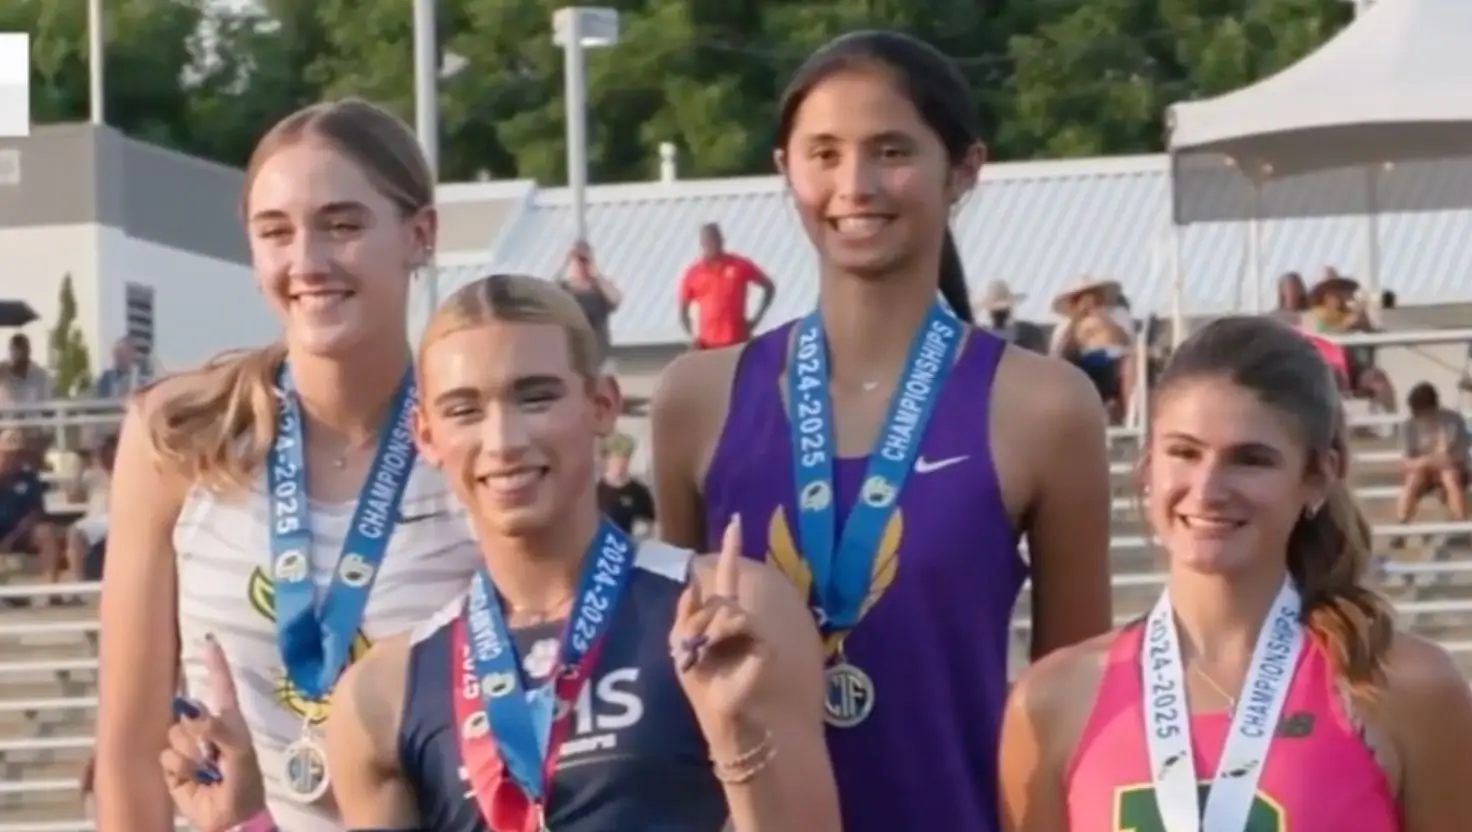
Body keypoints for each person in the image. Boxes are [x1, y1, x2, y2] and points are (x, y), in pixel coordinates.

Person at [160, 275, 841, 831]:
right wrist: (245, 823)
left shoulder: (726, 614)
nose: (504, 439)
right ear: (427, 435)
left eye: (535, 396)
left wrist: (737, 739)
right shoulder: (385, 690)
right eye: (464, 409)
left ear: (601, 405)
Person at [652, 31, 1113, 832]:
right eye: (823, 154)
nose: (854, 185)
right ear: (784, 170)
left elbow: (1076, 704)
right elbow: (678, 682)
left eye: (891, 150)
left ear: (963, 169)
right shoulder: (698, 399)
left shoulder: (1044, 407)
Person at [94, 98, 481, 832]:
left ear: (420, 235)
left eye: (342, 225)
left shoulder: (478, 439)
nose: (307, 262)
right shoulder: (178, 435)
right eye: (276, 233)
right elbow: (128, 750)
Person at [998, 315, 1472, 831]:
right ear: (1147, 468)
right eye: (1184, 452)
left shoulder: (1403, 687)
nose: (1207, 490)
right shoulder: (1052, 699)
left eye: (1250, 460)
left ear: (1317, 477)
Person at [1303, 270, 1396, 413]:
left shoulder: (1350, 314)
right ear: (1325, 295)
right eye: (1334, 291)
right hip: (1329, 370)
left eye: (1341, 290)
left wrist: (1365, 322)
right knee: (1332, 379)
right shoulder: (1316, 314)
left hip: (1356, 371)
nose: (1341, 294)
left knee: (1378, 378)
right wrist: (1348, 325)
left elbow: (1375, 339)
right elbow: (1322, 333)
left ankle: (1393, 425)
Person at [677, 222, 776, 350]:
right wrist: (692, 336)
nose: (712, 245)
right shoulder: (694, 273)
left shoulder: (740, 265)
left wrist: (756, 319)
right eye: (707, 242)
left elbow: (769, 287)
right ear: (702, 244)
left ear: (722, 241)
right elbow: (683, 311)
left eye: (715, 240)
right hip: (708, 344)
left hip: (738, 340)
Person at [1050, 277, 1135, 423]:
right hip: (1083, 362)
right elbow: (1058, 352)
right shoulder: (1066, 324)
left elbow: (1127, 341)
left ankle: (1132, 417)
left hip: (1116, 358)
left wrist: (1102, 317)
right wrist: (1076, 320)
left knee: (1131, 365)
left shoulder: (1117, 314)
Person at [1397, 382, 1469, 524]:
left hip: (1452, 467)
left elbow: (1458, 456)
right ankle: (1402, 523)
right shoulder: (1409, 426)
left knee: (1450, 478)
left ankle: (1460, 522)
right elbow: (1407, 462)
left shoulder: (1453, 421)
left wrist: (1435, 460)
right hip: (1423, 469)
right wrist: (1431, 460)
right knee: (1412, 481)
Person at [0, 427, 64, 587]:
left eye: (17, 454)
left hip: (19, 533)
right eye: (7, 454)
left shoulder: (28, 478)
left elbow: (34, 513)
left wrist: (11, 538)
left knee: (46, 532)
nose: (12, 459)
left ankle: (50, 588)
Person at [558, 239, 622, 365]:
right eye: (578, 261)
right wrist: (565, 263)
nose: (581, 266)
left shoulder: (600, 289)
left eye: (584, 261)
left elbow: (615, 299)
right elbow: (547, 298)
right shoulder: (564, 289)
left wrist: (596, 274)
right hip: (571, 354)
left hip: (597, 353)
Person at [64, 432, 116, 582]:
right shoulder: (91, 474)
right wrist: (78, 468)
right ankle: (77, 583)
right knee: (75, 532)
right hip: (96, 521)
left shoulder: (128, 471)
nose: (100, 454)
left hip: (119, 518)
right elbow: (72, 498)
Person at [597, 432, 656, 536]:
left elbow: (651, 524)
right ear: (607, 460)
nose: (620, 465)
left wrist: (645, 532)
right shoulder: (594, 492)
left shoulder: (640, 493)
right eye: (616, 460)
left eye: (624, 460)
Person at [974, 279, 1046, 353]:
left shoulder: (1030, 333)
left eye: (1002, 310)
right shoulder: (978, 338)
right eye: (997, 311)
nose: (1000, 314)